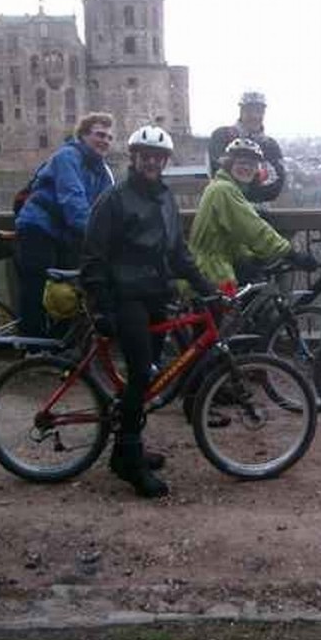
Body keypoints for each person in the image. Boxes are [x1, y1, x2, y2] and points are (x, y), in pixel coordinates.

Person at [80, 125, 218, 498]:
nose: (152, 162)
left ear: (165, 162)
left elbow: (178, 254)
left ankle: (126, 447)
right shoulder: (114, 200)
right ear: (134, 158)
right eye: (146, 156)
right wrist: (102, 307)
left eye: (158, 157)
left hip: (155, 296)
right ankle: (128, 459)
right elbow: (93, 258)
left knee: (149, 379)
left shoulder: (165, 199)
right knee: (141, 373)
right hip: (126, 298)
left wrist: (208, 289)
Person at [15, 113, 116, 337]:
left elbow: (108, 209)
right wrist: (102, 238)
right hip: (37, 227)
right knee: (37, 288)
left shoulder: (102, 170)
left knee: (68, 289)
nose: (105, 140)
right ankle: (31, 346)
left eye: (109, 137)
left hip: (65, 233)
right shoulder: (67, 157)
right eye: (99, 134)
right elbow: (74, 205)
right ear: (82, 135)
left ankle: (58, 344)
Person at [188, 137, 316, 295]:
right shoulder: (223, 190)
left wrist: (250, 256)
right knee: (228, 316)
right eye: (241, 162)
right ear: (229, 164)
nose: (247, 168)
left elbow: (232, 234)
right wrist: (290, 253)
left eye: (252, 164)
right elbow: (252, 228)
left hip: (213, 266)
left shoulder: (225, 187)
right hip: (213, 271)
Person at [208, 91, 286, 204]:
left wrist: (242, 189)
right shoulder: (221, 136)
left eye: (259, 111)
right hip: (225, 206)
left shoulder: (270, 145)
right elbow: (218, 173)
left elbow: (275, 187)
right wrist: (257, 181)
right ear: (241, 111)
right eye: (249, 110)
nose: (254, 116)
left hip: (260, 212)